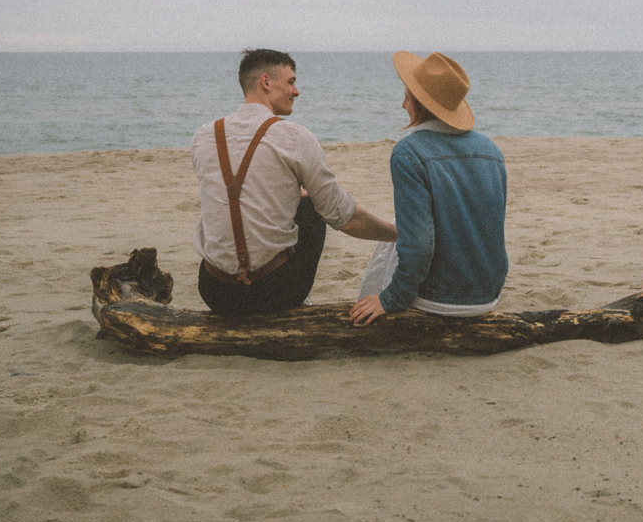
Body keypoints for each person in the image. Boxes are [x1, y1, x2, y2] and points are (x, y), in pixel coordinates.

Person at [192, 48, 396, 316]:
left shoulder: (204, 135)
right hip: (274, 293)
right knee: (312, 206)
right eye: (290, 81)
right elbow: (346, 219)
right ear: (266, 82)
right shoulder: (295, 137)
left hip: (215, 292)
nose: (296, 91)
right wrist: (397, 235)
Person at [349, 51, 508, 325]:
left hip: (441, 299)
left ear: (421, 104)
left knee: (401, 227)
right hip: (488, 293)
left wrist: (391, 299)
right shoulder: (490, 149)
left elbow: (419, 245)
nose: (402, 105)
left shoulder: (408, 153)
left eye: (407, 98)